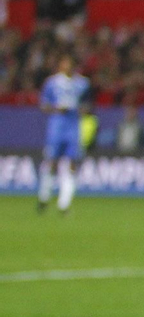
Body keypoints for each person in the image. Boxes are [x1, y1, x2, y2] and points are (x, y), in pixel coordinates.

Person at [37, 54, 90, 215]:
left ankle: (64, 204)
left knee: (72, 163)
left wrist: (84, 109)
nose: (67, 66)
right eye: (65, 63)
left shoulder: (83, 84)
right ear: (60, 65)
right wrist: (56, 109)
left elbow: (88, 104)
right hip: (57, 125)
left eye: (70, 63)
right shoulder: (52, 83)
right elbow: (44, 105)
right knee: (52, 161)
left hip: (74, 126)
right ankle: (44, 197)